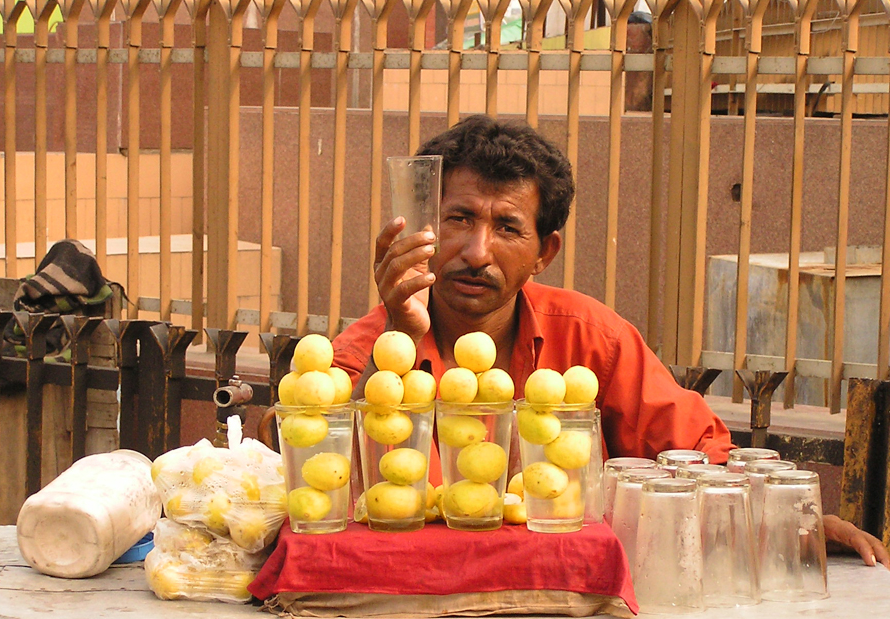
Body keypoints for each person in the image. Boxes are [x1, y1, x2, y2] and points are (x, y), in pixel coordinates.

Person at [333, 115, 889, 568]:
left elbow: (696, 456)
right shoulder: (370, 345)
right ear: (424, 230)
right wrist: (399, 340)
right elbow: (318, 471)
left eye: (507, 227)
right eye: (459, 218)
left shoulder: (592, 339)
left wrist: (791, 522)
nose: (477, 252)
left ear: (544, 253)